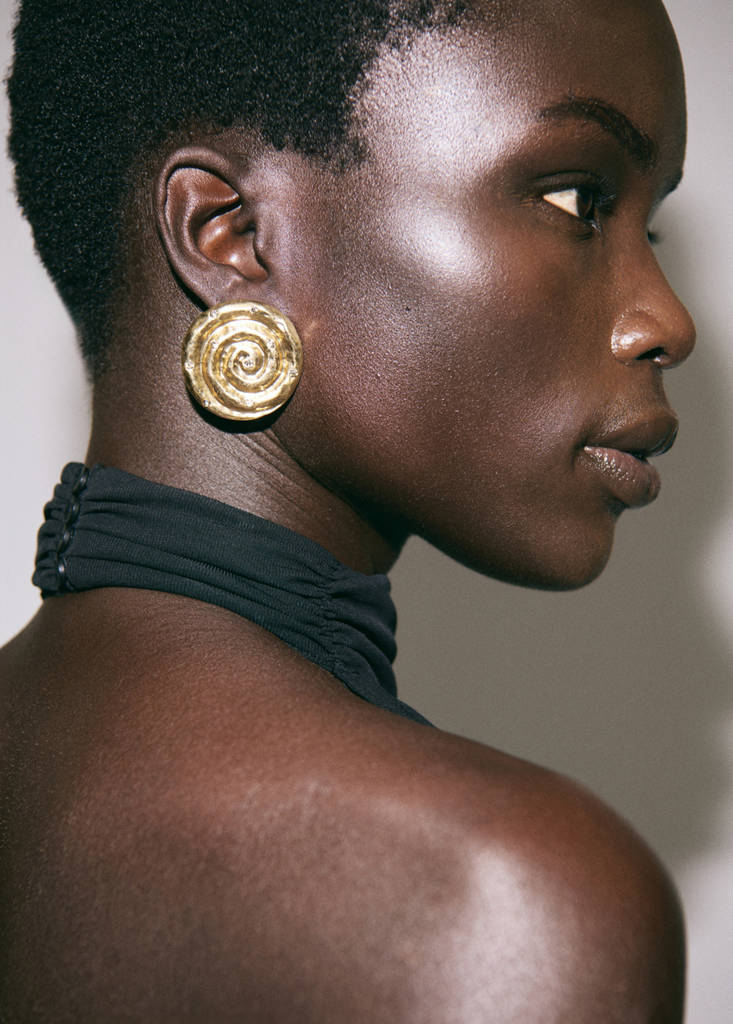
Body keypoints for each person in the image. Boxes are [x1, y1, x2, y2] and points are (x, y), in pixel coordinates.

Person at [1, 0, 696, 1019]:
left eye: (652, 224)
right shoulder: (493, 902)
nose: (666, 321)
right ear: (233, 236)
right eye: (575, 199)